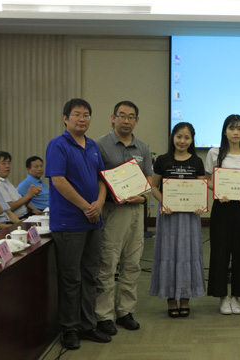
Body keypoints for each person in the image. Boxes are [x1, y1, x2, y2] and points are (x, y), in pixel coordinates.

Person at [45, 98, 110, 350]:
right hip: (69, 222)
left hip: (94, 221)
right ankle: (69, 328)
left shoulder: (92, 145)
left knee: (90, 275)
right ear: (65, 118)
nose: (82, 119)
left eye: (86, 115)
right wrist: (86, 207)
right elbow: (58, 181)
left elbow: (101, 179)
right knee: (71, 278)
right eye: (76, 114)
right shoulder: (58, 145)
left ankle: (88, 325)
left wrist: (99, 204)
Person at [94, 101, 154, 334]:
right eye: (122, 116)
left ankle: (125, 312)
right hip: (113, 211)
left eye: (131, 117)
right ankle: (103, 315)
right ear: (113, 118)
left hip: (136, 212)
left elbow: (148, 180)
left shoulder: (143, 147)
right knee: (108, 263)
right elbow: (96, 179)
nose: (126, 120)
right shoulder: (100, 145)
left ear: (136, 120)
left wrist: (142, 197)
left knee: (132, 262)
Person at [150, 122, 206, 318]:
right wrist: (164, 202)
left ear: (192, 140)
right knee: (169, 252)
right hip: (169, 214)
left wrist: (200, 204)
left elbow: (201, 187)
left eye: (187, 137)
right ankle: (171, 298)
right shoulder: (162, 160)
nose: (182, 141)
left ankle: (185, 297)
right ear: (173, 137)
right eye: (179, 136)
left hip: (190, 216)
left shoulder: (197, 161)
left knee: (188, 254)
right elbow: (153, 186)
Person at [205, 114, 240, 315]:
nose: (236, 132)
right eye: (232, 128)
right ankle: (222, 296)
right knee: (220, 251)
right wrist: (219, 191)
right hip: (222, 207)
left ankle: (236, 296)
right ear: (225, 131)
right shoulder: (214, 153)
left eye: (239, 128)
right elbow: (207, 179)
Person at [0, 151, 41, 218]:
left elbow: (22, 203)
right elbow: (9, 207)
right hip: (17, 219)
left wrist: (31, 195)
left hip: (26, 214)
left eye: (8, 163)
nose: (7, 166)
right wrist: (28, 195)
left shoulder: (6, 181)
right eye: (3, 163)